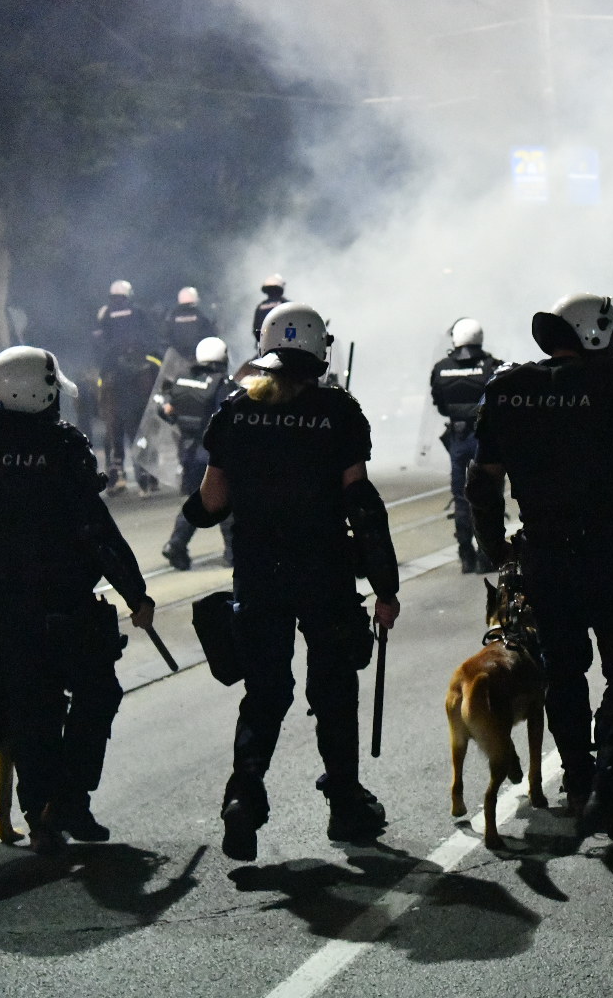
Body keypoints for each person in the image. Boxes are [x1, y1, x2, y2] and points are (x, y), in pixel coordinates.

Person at [465, 293, 613, 853]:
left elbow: (482, 479)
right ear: (594, 333)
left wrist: (494, 544)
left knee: (563, 670)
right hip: (609, 552)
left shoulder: (507, 390)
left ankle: (579, 781)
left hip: (542, 554)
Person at [184, 302, 401, 862]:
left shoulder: (235, 410)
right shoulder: (339, 412)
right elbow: (360, 503)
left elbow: (210, 503)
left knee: (266, 692)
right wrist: (385, 584)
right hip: (324, 572)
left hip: (258, 573)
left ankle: (244, 796)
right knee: (332, 689)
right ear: (318, 350)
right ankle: (346, 804)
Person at [0, 346, 156, 850]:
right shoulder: (62, 446)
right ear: (37, 392)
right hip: (64, 604)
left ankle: (40, 813)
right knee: (97, 692)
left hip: (3, 610)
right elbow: (94, 530)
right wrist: (135, 592)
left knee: (29, 711)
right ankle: (72, 801)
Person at [428, 317, 503, 573]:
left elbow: (439, 405)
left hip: (458, 439)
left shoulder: (441, 368)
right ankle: (487, 555)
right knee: (488, 495)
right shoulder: (492, 366)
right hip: (485, 439)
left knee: (461, 497)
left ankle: (466, 556)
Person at [158, 337, 235, 571]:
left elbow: (165, 410)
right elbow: (229, 416)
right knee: (226, 499)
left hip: (188, 453)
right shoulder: (221, 383)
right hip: (211, 452)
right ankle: (234, 554)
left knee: (197, 499)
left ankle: (176, 544)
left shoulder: (181, 381)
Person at [92, 280, 160, 495]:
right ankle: (161, 399)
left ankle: (101, 408)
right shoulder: (138, 311)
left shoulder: (104, 313)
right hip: (138, 361)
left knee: (103, 388)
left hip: (112, 366)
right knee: (157, 369)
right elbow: (150, 335)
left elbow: (99, 340)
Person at [162, 287, 215, 366]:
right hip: (202, 363)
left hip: (176, 365)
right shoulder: (203, 315)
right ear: (195, 299)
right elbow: (212, 336)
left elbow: (166, 338)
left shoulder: (170, 317)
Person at [251, 274, 288, 343]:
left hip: (264, 345)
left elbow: (256, 329)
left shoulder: (260, 307)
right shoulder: (287, 305)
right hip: (284, 345)